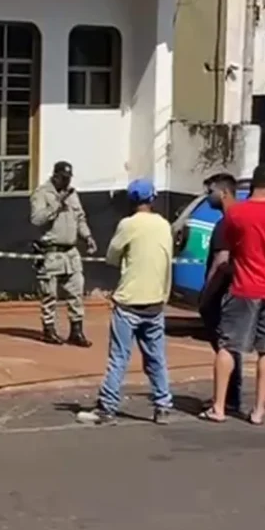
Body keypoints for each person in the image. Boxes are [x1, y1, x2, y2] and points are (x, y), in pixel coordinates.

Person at [77, 178, 173, 425]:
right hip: (156, 300)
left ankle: (107, 408)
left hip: (129, 301)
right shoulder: (164, 225)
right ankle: (163, 405)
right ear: (152, 199)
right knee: (156, 357)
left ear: (131, 201)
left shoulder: (128, 225)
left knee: (119, 357)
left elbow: (112, 255)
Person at [199, 163, 265, 426]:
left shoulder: (236, 214)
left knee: (228, 347)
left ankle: (220, 406)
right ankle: (257, 412)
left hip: (243, 287)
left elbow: (227, 254)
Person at [29, 161, 96, 346]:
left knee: (76, 291)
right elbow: (36, 219)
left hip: (71, 253)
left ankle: (76, 330)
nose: (67, 182)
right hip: (51, 252)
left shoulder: (73, 195)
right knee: (49, 294)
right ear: (56, 176)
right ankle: (49, 330)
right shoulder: (42, 193)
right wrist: (57, 205)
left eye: (69, 179)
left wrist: (87, 236)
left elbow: (80, 217)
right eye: (64, 179)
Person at [198, 173, 242, 413]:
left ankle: (228, 400)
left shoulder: (226, 223)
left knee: (225, 346)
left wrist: (207, 293)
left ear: (224, 192)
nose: (207, 197)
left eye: (210, 191)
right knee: (231, 345)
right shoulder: (237, 219)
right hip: (235, 291)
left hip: (223, 294)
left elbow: (220, 260)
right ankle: (230, 397)